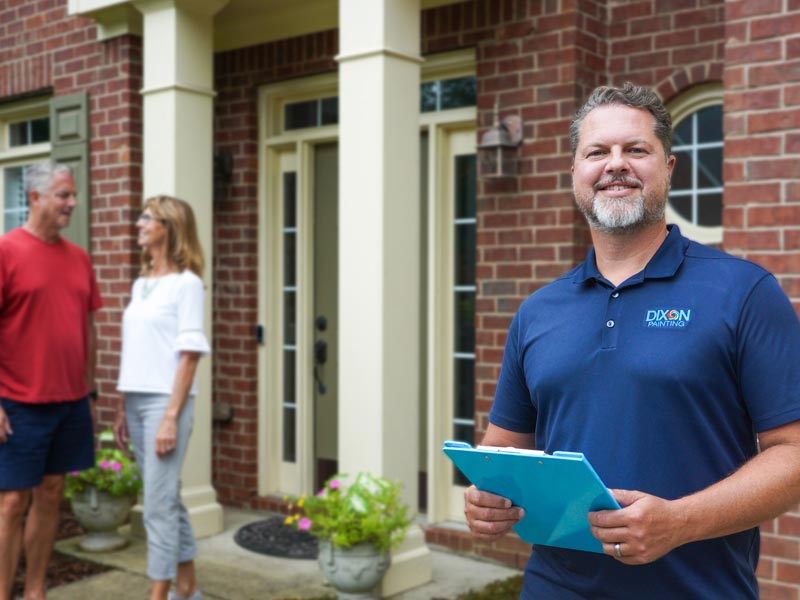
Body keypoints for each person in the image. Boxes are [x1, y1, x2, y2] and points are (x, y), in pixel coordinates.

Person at [464, 82, 800, 599]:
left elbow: (793, 454)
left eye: (635, 150)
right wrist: (486, 496)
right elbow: (503, 448)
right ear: (576, 173)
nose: (614, 164)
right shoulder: (538, 312)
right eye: (597, 152)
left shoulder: (743, 292)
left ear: (668, 166)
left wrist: (679, 521)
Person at [0, 160, 101, 600]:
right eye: (63, 195)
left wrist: (91, 391)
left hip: (71, 400)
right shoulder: (6, 251)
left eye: (72, 195)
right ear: (35, 197)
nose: (72, 203)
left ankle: (36, 592)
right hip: (18, 400)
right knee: (10, 503)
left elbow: (89, 328)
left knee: (51, 493)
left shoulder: (79, 259)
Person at [113, 195, 209, 600]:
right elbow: (136, 349)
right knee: (164, 495)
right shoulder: (142, 283)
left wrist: (171, 415)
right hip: (136, 402)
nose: (138, 224)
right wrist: (122, 407)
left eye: (147, 218)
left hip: (165, 404)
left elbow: (189, 355)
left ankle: (159, 593)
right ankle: (186, 587)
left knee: (155, 504)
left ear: (169, 228)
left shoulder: (186, 284)